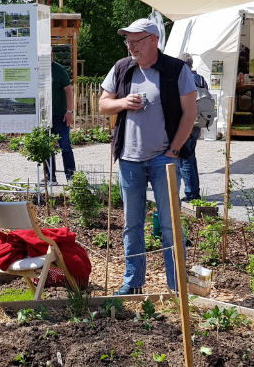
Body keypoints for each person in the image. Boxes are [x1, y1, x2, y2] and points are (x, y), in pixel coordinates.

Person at [98, 18, 196, 294]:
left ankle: (177, 285)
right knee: (131, 226)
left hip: (163, 159)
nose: (130, 46)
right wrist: (122, 102)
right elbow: (104, 104)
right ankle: (132, 283)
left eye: (135, 41)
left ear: (153, 40)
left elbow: (190, 113)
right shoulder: (122, 68)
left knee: (169, 225)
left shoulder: (175, 69)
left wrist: (173, 151)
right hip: (129, 160)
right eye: (127, 41)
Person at [177, 53, 205, 202]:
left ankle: (191, 194)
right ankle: (194, 191)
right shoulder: (200, 78)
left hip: (185, 122)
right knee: (191, 157)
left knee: (184, 158)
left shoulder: (183, 78)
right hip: (198, 122)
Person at [43, 60, 75, 185]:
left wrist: (69, 111)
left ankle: (71, 178)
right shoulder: (38, 69)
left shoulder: (58, 69)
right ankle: (50, 177)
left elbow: (68, 90)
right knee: (46, 147)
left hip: (59, 115)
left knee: (65, 146)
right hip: (44, 116)